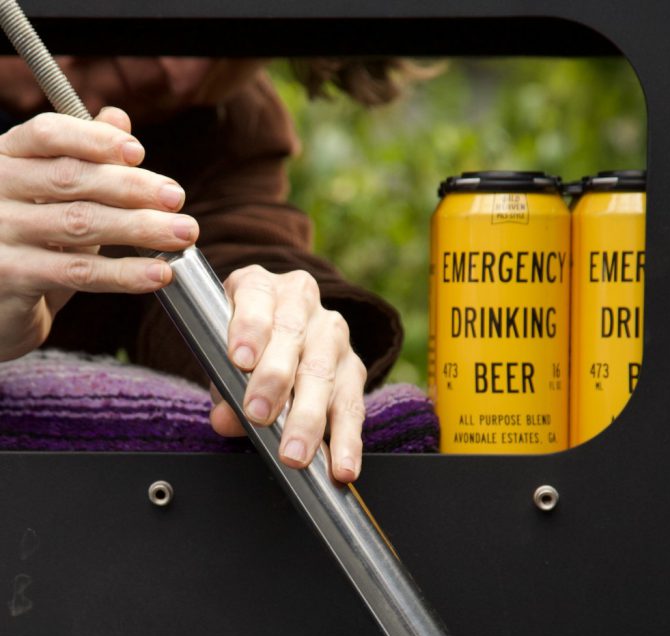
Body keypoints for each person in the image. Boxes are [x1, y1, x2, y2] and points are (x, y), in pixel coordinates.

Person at [0, 56, 408, 480]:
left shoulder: (228, 124)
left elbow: (239, 247)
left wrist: (279, 325)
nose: (182, 74)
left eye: (239, 41)